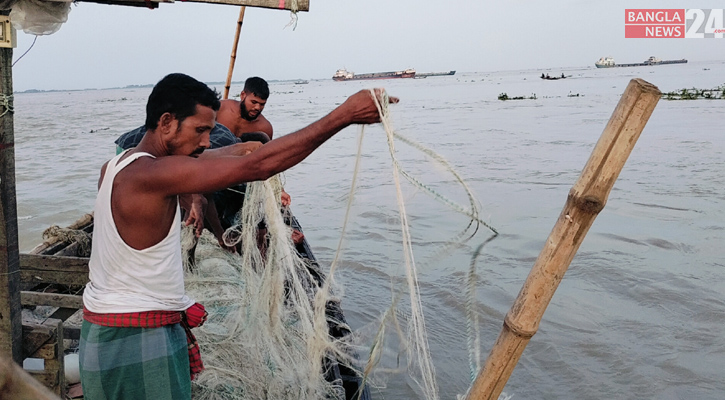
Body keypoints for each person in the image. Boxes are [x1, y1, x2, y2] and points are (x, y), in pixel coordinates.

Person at [79, 72, 396, 399]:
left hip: (105, 329)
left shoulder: (118, 165)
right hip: (137, 336)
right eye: (200, 130)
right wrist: (345, 115)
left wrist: (242, 149)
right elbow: (259, 168)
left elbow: (215, 161)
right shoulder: (152, 176)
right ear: (166, 122)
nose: (206, 141)